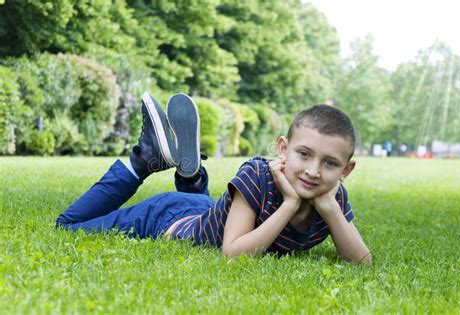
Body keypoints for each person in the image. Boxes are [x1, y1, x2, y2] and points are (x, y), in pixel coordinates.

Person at [56, 93, 372, 265]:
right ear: (283, 149)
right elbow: (232, 252)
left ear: (346, 170)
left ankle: (190, 176)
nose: (313, 171)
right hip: (167, 218)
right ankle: (142, 161)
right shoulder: (259, 177)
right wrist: (289, 205)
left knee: (208, 214)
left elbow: (362, 262)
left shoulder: (331, 195)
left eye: (330, 163)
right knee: (67, 227)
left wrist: (330, 210)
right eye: (304, 154)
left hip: (204, 211)